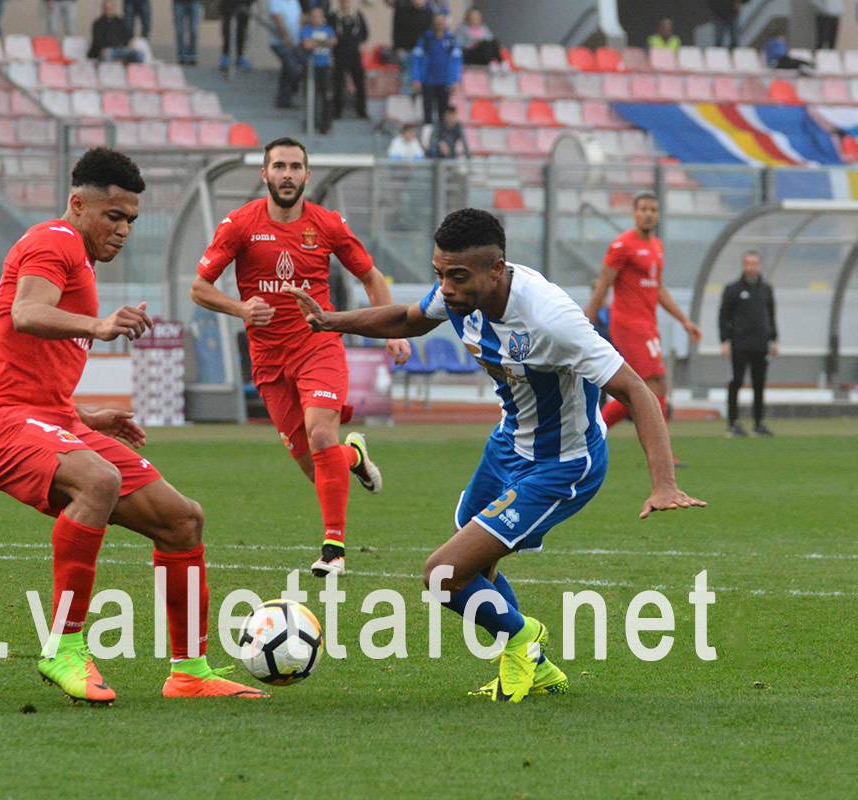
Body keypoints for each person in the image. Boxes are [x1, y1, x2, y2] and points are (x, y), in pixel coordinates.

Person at [289, 208, 706, 702]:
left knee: (443, 575)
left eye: (456, 276)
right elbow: (407, 318)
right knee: (473, 564)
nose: (445, 287)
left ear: (496, 269)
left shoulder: (553, 320)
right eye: (438, 273)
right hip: (507, 443)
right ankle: (537, 664)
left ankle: (523, 637)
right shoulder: (461, 293)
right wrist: (330, 321)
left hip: (563, 465)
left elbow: (637, 390)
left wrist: (662, 483)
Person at [0, 148, 267, 703]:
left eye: (131, 219)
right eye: (114, 216)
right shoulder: (52, 240)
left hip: (49, 417)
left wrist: (88, 417)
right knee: (97, 481)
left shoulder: (80, 260)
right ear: (78, 204)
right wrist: (98, 325)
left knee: (183, 521)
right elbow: (26, 314)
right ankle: (64, 648)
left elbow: (26, 365)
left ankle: (190, 672)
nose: (125, 229)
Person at [191, 137, 411, 577]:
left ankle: (333, 551)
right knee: (318, 468)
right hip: (269, 359)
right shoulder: (238, 225)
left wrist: (393, 330)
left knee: (319, 432)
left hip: (319, 344)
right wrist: (241, 308)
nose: (287, 174)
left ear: (307, 176)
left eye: (295, 167)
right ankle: (353, 457)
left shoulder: (327, 224)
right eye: (279, 167)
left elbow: (369, 275)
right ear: (265, 174)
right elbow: (199, 287)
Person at [583, 194, 701, 444]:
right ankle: (661, 452)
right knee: (655, 382)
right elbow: (603, 284)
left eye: (653, 210)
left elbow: (658, 289)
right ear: (634, 214)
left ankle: (588, 438)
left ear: (658, 215)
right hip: (628, 324)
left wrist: (684, 320)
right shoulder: (622, 245)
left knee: (643, 388)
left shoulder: (656, 246)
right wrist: (584, 323)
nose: (648, 214)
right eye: (643, 209)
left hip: (647, 325)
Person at [719, 251, 777, 438]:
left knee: (759, 384)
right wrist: (724, 341)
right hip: (739, 343)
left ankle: (758, 423)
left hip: (760, 344)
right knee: (736, 382)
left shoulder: (765, 289)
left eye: (755, 264)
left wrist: (774, 339)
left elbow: (771, 316)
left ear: (759, 266)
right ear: (743, 266)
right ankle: (733, 423)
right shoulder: (733, 289)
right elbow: (723, 317)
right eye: (748, 263)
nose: (751, 267)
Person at [412, 12, 462, 126]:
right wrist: (416, 78)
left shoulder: (451, 41)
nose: (439, 24)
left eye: (441, 22)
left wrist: (456, 80)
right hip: (428, 81)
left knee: (443, 112)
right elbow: (416, 60)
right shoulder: (425, 40)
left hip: (445, 81)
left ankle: (440, 137)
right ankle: (427, 136)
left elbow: (457, 62)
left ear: (445, 23)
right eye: (437, 22)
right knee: (428, 111)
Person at [299, 6, 336, 134]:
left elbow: (333, 42)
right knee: (311, 96)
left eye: (319, 16)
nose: (317, 19)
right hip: (311, 67)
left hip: (325, 66)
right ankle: (311, 123)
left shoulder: (328, 29)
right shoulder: (306, 30)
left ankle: (326, 124)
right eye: (314, 16)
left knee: (327, 95)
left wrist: (315, 42)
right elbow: (306, 45)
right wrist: (323, 42)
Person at [329, 0, 368, 119]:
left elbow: (365, 33)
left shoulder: (357, 15)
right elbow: (330, 34)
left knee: (359, 83)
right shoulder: (334, 17)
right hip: (340, 55)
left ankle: (361, 111)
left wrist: (358, 42)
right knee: (338, 83)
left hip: (354, 55)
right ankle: (337, 111)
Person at [389, 0, 436, 95]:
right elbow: (397, 30)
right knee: (406, 79)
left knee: (423, 80)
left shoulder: (429, 14)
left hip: (423, 53)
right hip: (406, 50)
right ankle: (406, 105)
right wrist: (398, 47)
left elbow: (431, 35)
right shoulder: (403, 11)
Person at [269, 0, 304, 109]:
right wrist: (285, 36)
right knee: (293, 69)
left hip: (295, 42)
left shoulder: (294, 2)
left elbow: (299, 19)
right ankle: (288, 95)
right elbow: (277, 19)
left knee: (286, 71)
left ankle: (283, 99)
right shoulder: (275, 2)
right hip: (281, 43)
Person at [219, 0, 254, 71]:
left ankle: (240, 56)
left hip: (243, 7)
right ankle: (226, 56)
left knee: (241, 34)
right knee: (227, 32)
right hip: (228, 8)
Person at [173, 0, 202, 66]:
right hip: (178, 2)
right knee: (180, 30)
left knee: (194, 30)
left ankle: (192, 55)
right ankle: (182, 55)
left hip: (195, 2)